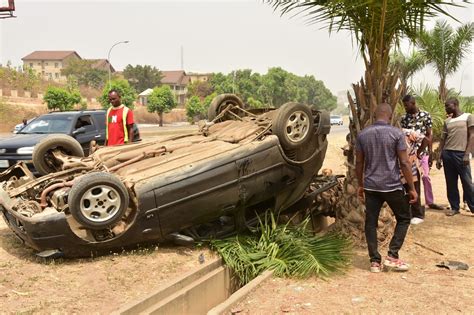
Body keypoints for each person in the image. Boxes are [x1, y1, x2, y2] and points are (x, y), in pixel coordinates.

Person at [356, 103, 417, 273]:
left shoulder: (363, 134)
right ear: (389, 116)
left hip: (371, 186)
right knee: (404, 218)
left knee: (370, 222)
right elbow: (404, 162)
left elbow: (359, 162)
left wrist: (360, 185)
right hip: (391, 186)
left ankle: (375, 261)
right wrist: (412, 188)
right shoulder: (396, 133)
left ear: (375, 115)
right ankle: (392, 256)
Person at [401, 95, 444, 215]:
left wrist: (429, 152)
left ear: (413, 103)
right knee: (412, 179)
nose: (405, 107)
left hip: (422, 152)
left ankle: (430, 202)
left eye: (406, 105)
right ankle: (415, 206)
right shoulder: (404, 118)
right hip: (409, 154)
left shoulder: (425, 115)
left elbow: (429, 135)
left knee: (425, 177)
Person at [436, 97, 474, 216]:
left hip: (461, 154)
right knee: (451, 182)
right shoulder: (447, 121)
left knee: (467, 182)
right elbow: (443, 139)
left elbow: (472, 135)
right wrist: (439, 156)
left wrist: (467, 154)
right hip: (448, 154)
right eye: (445, 106)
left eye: (448, 105)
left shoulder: (468, 117)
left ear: (455, 104)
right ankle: (454, 207)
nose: (446, 108)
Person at [401, 128, 428, 225]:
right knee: (404, 191)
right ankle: (408, 213)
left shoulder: (407, 133)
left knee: (414, 190)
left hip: (411, 167)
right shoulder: (390, 134)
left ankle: (418, 214)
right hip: (399, 169)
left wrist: (418, 152)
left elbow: (425, 139)